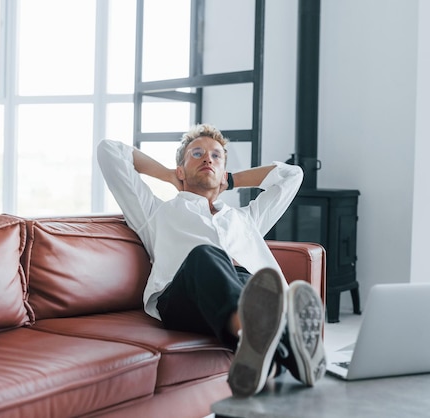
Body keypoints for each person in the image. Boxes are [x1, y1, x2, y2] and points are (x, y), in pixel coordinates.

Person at [97, 124, 326, 397]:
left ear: (223, 174)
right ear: (181, 169)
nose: (208, 159)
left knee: (259, 285)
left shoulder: (246, 218)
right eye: (197, 154)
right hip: (183, 296)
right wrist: (170, 175)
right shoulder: (155, 212)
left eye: (216, 156)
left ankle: (279, 359)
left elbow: (292, 175)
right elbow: (109, 151)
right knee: (205, 255)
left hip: (250, 291)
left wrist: (232, 179)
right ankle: (263, 333)